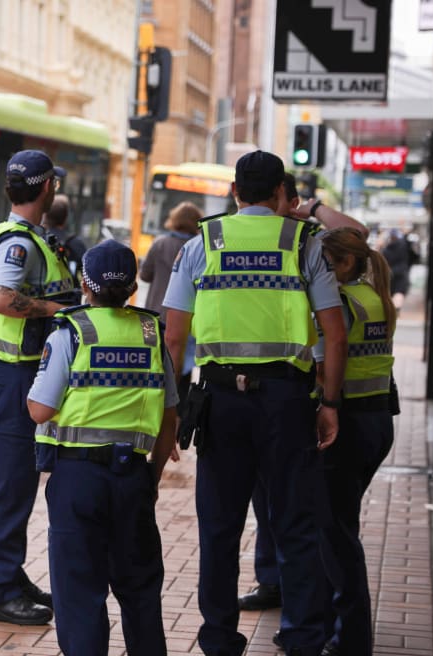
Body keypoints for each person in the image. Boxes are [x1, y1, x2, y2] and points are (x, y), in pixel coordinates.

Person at [162, 149, 348, 656]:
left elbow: (174, 336)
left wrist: (170, 409)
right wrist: (329, 403)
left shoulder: (203, 241)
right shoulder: (304, 242)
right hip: (288, 403)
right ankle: (303, 636)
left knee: (219, 526)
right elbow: (335, 333)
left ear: (236, 192)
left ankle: (220, 638)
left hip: (220, 402)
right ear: (281, 194)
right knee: (294, 523)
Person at [27, 238, 179, 655]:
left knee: (80, 594)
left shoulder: (71, 332)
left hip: (78, 480)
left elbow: (40, 410)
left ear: (84, 284)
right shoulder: (151, 333)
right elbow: (170, 419)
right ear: (132, 288)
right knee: (141, 591)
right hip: (132, 476)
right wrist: (153, 475)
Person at [239, 173, 369, 614]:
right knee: (266, 500)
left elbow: (358, 235)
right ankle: (273, 582)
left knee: (295, 504)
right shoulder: (241, 238)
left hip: (297, 388)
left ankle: (303, 599)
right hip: (259, 385)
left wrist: (309, 210)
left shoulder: (308, 238)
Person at [0, 149, 78, 626]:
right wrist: (53, 311)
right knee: (10, 485)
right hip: (13, 375)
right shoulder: (17, 244)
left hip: (19, 374)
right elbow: (0, 298)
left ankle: (10, 577)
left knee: (17, 484)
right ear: (46, 188)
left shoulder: (31, 237)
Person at [311, 226, 398, 656]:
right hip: (376, 421)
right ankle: (332, 628)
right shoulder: (373, 298)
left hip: (348, 425)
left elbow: (329, 358)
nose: (318, 271)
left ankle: (351, 640)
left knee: (336, 535)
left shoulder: (342, 304)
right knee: (339, 526)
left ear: (344, 263)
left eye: (324, 262)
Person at [139, 200, 202, 401]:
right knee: (180, 365)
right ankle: (176, 417)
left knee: (151, 363)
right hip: (185, 318)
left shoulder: (159, 244)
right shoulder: (197, 248)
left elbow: (144, 275)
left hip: (152, 319)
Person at [42, 193, 88, 282]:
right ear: (66, 217)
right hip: (69, 292)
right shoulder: (76, 243)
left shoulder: (39, 239)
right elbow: (87, 272)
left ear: (46, 216)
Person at [378, 228, 412, 313]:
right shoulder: (403, 245)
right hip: (401, 272)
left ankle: (391, 310)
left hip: (390, 273)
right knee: (399, 292)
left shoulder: (386, 249)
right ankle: (396, 310)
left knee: (391, 292)